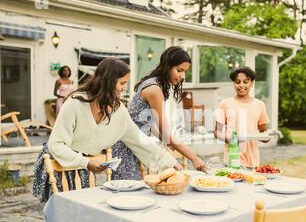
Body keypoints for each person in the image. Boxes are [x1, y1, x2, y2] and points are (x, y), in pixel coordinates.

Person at [33, 58, 180, 202]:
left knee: (81, 213)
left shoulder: (119, 110)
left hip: (83, 167)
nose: (123, 88)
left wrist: (169, 162)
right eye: (122, 83)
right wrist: (86, 162)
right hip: (58, 161)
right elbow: (56, 144)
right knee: (60, 215)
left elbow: (139, 140)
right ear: (108, 81)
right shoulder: (75, 103)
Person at [112, 46, 207, 180]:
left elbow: (148, 123)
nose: (183, 76)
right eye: (179, 70)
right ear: (167, 66)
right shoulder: (155, 89)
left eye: (185, 72)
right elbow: (166, 134)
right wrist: (194, 158)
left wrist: (165, 139)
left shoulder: (156, 84)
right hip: (126, 145)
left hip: (134, 142)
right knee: (127, 191)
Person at [214, 66, 270, 169]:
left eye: (245, 82)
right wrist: (230, 139)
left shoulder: (260, 105)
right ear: (233, 84)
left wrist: (265, 138)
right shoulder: (225, 104)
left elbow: (263, 132)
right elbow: (217, 132)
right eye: (237, 82)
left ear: (251, 83)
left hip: (252, 160)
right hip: (232, 158)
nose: (241, 85)